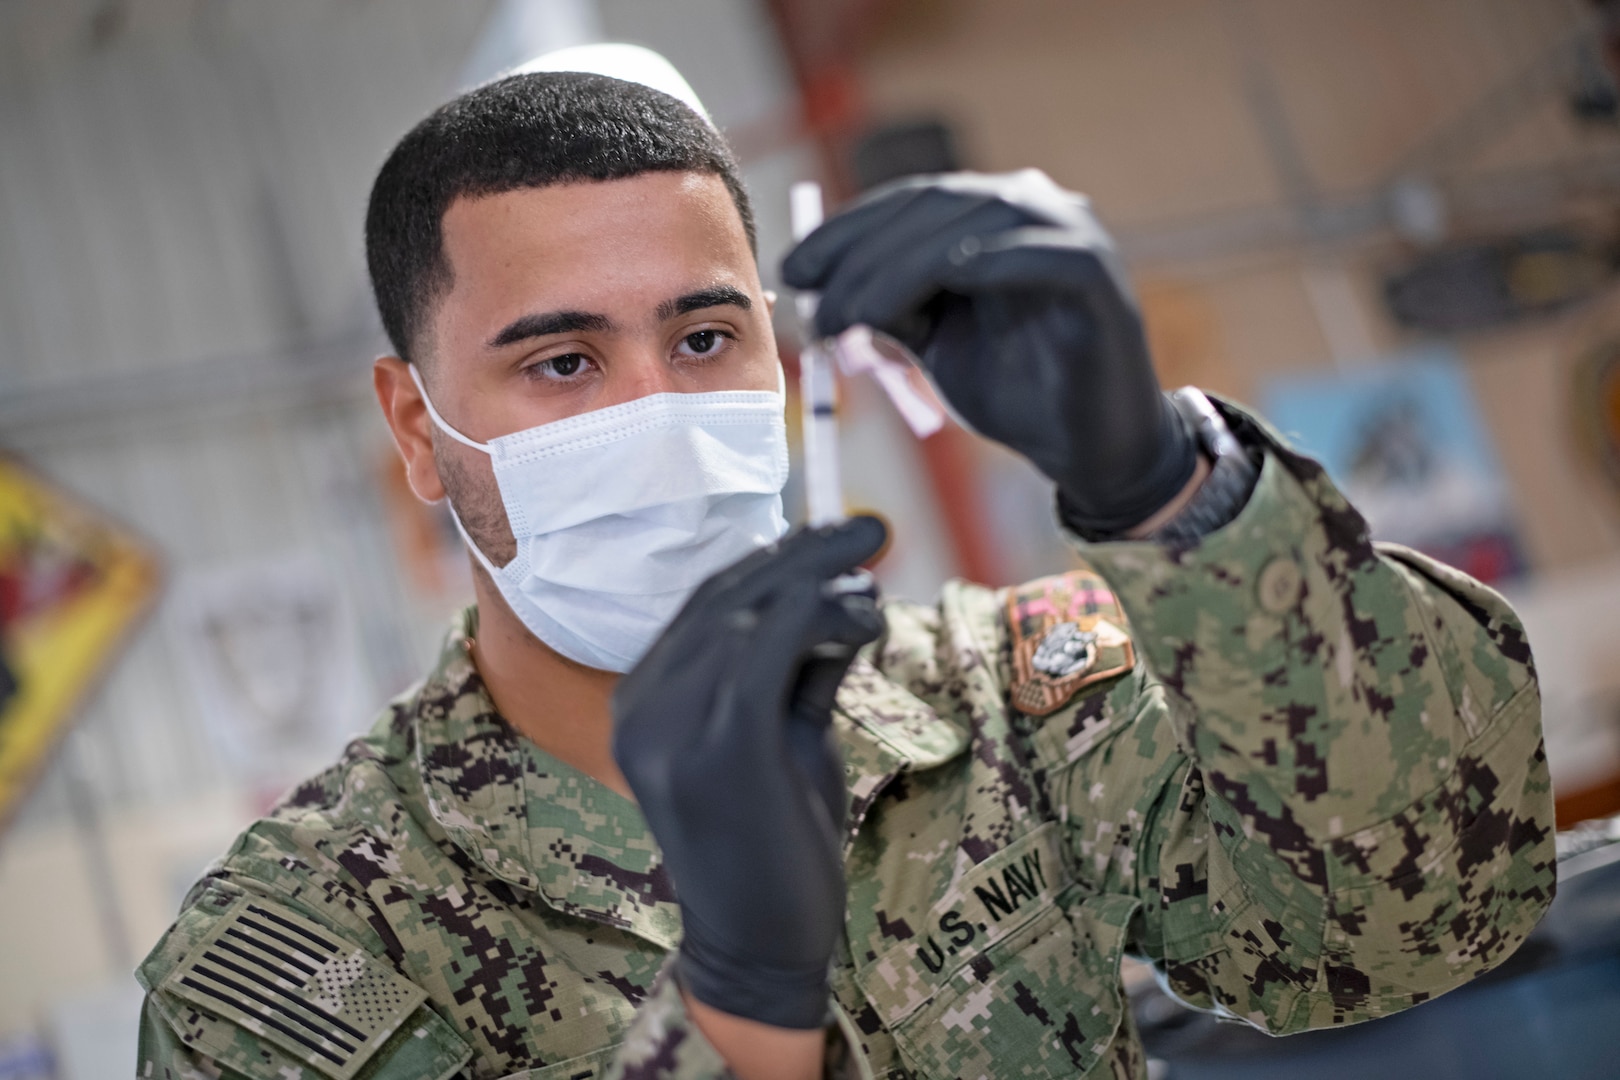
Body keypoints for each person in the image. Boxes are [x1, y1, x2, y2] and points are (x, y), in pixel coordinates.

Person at [135, 63, 1555, 1080]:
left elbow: (1423, 922)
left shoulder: (1002, 700)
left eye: (703, 341)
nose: (662, 425)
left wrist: (1173, 488)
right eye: (562, 363)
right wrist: (740, 1013)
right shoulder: (303, 956)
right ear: (417, 430)